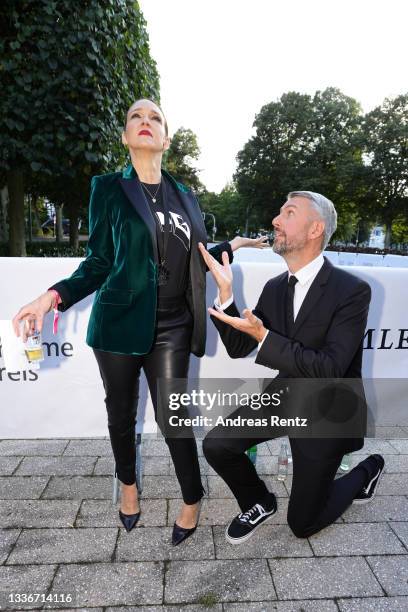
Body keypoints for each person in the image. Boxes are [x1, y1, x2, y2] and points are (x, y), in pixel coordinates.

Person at [12, 98, 268, 545]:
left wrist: (235, 244)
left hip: (173, 325)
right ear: (127, 136)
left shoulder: (186, 195)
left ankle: (191, 498)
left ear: (166, 138)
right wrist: (51, 297)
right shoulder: (109, 188)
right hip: (118, 325)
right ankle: (128, 487)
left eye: (155, 118)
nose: (145, 122)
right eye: (137, 117)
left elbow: (197, 254)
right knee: (121, 414)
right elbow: (98, 261)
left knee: (174, 418)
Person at [198, 190, 385, 544]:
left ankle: (367, 470)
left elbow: (330, 367)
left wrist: (266, 337)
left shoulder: (352, 291)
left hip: (329, 409)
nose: (275, 221)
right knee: (217, 445)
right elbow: (240, 347)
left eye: (288, 213)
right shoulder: (274, 287)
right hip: (287, 396)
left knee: (303, 524)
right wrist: (226, 295)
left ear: (315, 229)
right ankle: (258, 500)